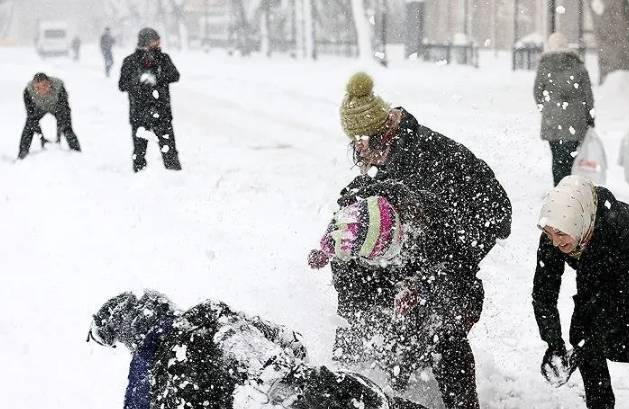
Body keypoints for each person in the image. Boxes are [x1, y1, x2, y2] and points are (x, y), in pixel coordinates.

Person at [316, 72, 512, 409]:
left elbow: (495, 216)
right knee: (365, 298)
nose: (361, 156)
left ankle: (459, 401)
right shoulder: (391, 159)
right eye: (355, 147)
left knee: (440, 323)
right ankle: (359, 381)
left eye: (364, 145)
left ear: (383, 134)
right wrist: (339, 238)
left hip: (461, 242)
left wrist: (425, 279)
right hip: (418, 246)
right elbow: (363, 206)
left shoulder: (428, 158)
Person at [88, 290, 428, 409]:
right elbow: (287, 340)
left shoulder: (154, 369)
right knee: (321, 389)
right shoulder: (209, 312)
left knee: (309, 390)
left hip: (264, 384)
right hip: (283, 377)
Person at [532, 175, 629, 409]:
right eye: (550, 234)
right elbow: (544, 293)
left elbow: (610, 298)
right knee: (583, 334)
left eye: (560, 235)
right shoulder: (558, 229)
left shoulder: (617, 227)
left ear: (579, 223)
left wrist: (583, 346)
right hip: (607, 276)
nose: (555, 243)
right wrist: (553, 343)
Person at [534, 32, 595, 186]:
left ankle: (558, 188)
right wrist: (590, 115)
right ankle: (569, 188)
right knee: (570, 158)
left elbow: (537, 92)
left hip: (553, 120)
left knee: (556, 157)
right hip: (575, 119)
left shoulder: (544, 66)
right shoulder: (578, 65)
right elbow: (588, 94)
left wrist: (546, 108)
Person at [119, 28, 182, 172]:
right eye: (155, 40)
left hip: (162, 111)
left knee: (169, 149)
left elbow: (175, 75)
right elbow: (122, 85)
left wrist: (157, 78)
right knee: (139, 151)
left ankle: (175, 178)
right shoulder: (130, 61)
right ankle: (140, 180)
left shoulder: (163, 58)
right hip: (139, 113)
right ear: (146, 41)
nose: (158, 43)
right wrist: (138, 82)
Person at [18, 72, 81, 159]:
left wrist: (58, 137)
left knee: (66, 127)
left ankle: (77, 153)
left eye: (44, 85)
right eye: (38, 88)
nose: (41, 90)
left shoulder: (59, 88)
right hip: (39, 108)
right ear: (33, 87)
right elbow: (31, 116)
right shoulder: (28, 92)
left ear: (50, 83)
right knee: (29, 126)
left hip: (57, 107)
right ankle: (22, 155)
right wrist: (42, 138)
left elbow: (64, 112)